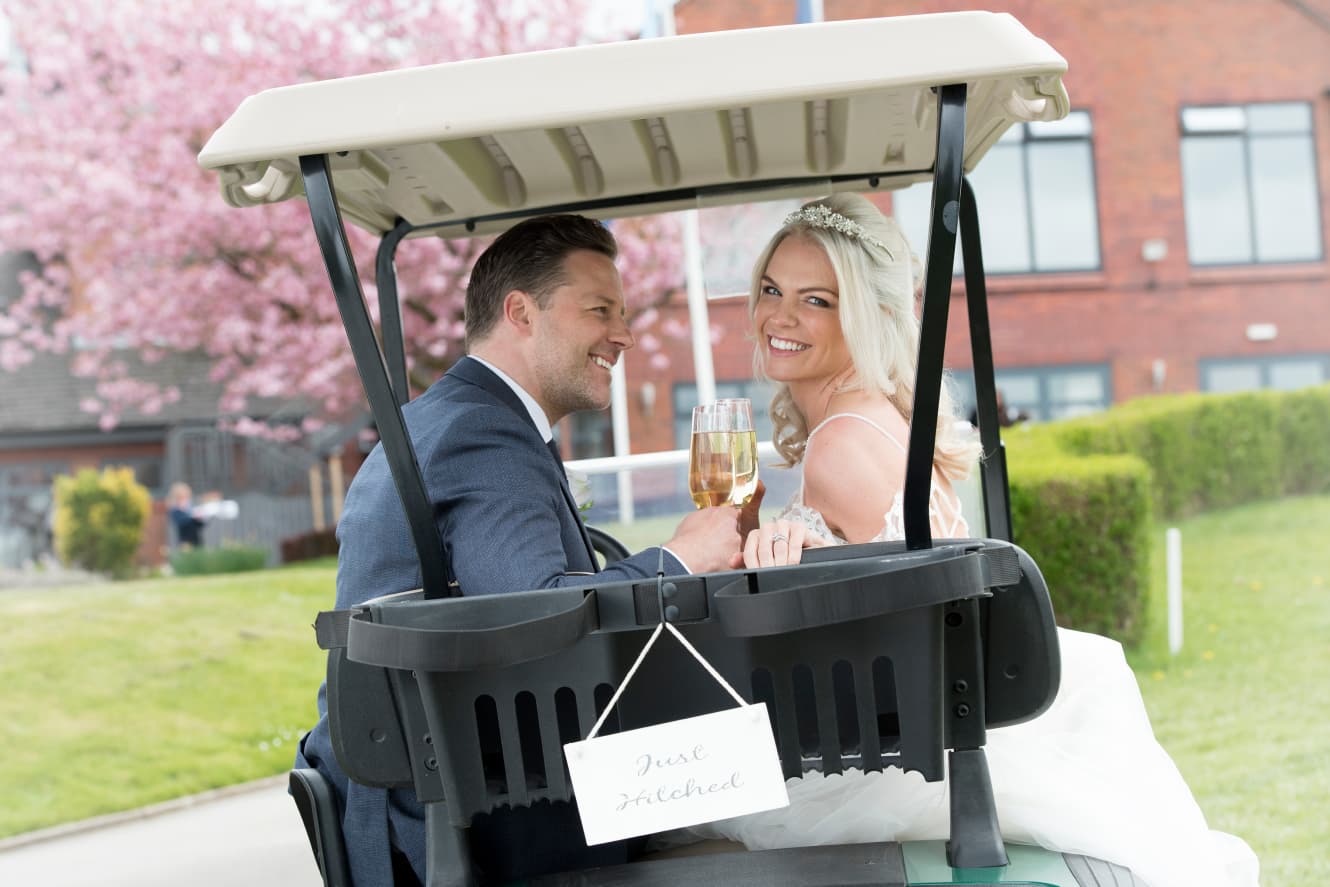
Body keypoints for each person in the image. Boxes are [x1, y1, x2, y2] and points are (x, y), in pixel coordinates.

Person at [702, 194, 1259, 887]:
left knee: (686, 798)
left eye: (815, 300)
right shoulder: (879, 417)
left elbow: (843, 636)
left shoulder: (839, 447)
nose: (778, 316)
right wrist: (760, 531)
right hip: (922, 706)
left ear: (867, 316)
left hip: (892, 741)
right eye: (770, 289)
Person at [295, 214, 760, 887]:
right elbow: (537, 610)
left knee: (750, 758)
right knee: (765, 778)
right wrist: (681, 558)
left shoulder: (463, 418)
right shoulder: (481, 434)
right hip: (474, 810)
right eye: (600, 309)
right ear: (520, 312)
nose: (625, 334)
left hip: (479, 766)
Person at [167, 482, 205, 548]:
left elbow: (199, 525)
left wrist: (198, 518)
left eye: (187, 497)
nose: (185, 500)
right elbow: (181, 522)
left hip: (196, 540)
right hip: (185, 542)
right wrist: (190, 516)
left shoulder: (190, 509)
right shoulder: (175, 510)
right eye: (182, 497)